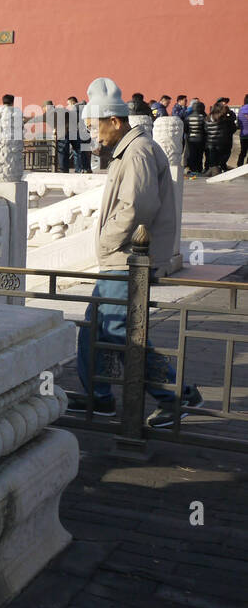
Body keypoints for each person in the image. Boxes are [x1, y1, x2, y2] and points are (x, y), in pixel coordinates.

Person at [66, 77, 200, 427]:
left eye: (95, 126)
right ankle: (100, 397)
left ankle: (176, 395)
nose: (94, 134)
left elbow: (138, 205)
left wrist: (109, 240)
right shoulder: (129, 149)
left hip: (127, 258)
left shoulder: (138, 150)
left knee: (122, 333)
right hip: (120, 258)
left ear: (115, 120)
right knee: (95, 330)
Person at [205, 99, 235, 175]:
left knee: (213, 161)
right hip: (223, 143)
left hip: (211, 143)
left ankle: (212, 171)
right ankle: (217, 171)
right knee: (223, 158)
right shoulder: (224, 119)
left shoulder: (207, 118)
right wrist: (230, 113)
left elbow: (206, 129)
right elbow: (233, 128)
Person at [184, 99, 207, 177]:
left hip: (190, 139)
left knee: (192, 154)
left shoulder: (188, 117)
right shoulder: (203, 117)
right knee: (199, 155)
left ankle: (193, 169)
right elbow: (205, 129)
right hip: (201, 139)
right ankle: (199, 169)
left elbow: (185, 129)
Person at [237, 95, 248, 168]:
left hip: (243, 134)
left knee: (243, 152)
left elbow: (238, 123)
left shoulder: (241, 109)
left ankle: (239, 166)